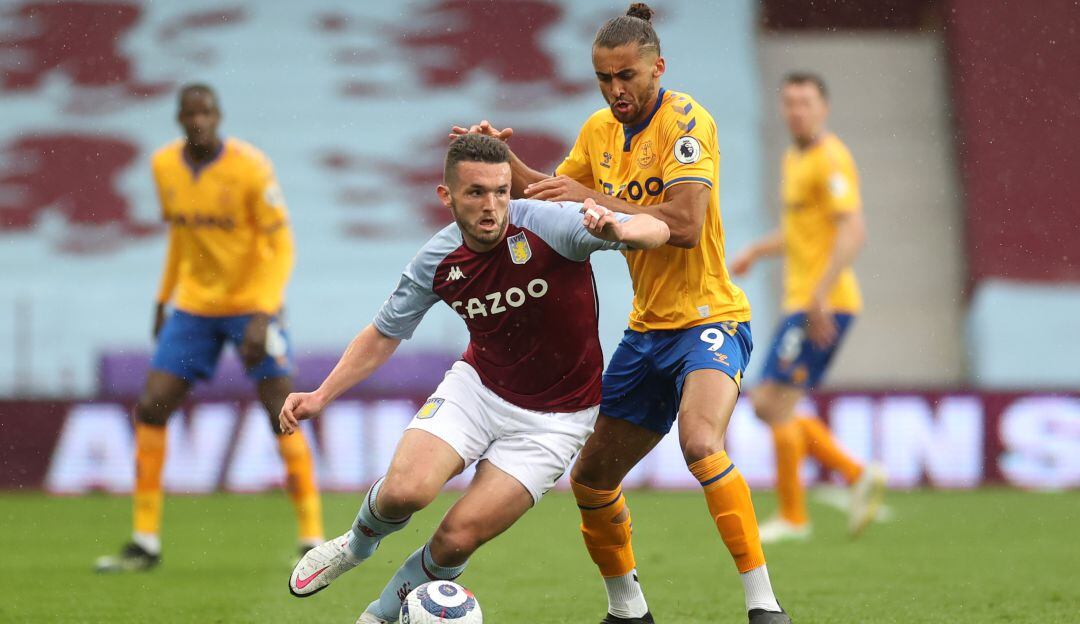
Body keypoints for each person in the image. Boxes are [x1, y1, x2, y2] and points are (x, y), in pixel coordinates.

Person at [451, 4, 789, 622]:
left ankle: (764, 606)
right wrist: (504, 162)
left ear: (657, 66)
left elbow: (684, 226)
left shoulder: (687, 123)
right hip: (645, 332)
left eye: (627, 76)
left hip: (711, 319)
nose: (616, 91)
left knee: (700, 442)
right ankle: (628, 610)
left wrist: (591, 197)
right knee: (591, 480)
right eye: (604, 79)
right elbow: (550, 196)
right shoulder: (599, 132)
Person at [284, 134, 669, 623]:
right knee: (406, 492)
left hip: (558, 420)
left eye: (501, 191)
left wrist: (621, 228)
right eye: (476, 193)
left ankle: (378, 616)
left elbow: (656, 228)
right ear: (446, 197)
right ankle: (356, 546)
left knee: (456, 538)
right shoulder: (435, 261)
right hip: (478, 390)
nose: (492, 206)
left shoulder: (550, 227)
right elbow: (384, 334)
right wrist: (321, 395)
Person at [95, 84, 323, 572]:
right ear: (179, 119)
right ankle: (144, 540)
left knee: (279, 409)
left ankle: (312, 537)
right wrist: (163, 297)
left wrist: (264, 311)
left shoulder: (251, 168)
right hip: (195, 308)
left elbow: (282, 246)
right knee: (152, 406)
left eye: (206, 112)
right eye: (190, 114)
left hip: (251, 306)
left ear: (218, 117)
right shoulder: (163, 167)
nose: (198, 121)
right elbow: (182, 235)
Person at [730, 72, 885, 543]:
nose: (798, 110)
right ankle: (855, 474)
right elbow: (802, 234)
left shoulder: (831, 159)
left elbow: (854, 231)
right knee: (772, 403)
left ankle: (798, 514)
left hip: (822, 302)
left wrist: (820, 294)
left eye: (807, 102)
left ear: (824, 108)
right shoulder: (795, 159)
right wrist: (758, 250)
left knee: (773, 402)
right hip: (805, 300)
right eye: (791, 102)